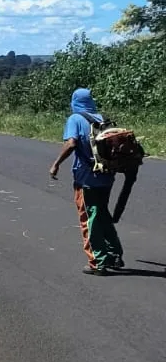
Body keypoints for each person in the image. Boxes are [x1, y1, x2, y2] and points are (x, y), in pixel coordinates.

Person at [50, 88, 124, 275]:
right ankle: (114, 254)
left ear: (74, 101)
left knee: (89, 218)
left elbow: (72, 143)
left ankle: (97, 261)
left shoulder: (75, 119)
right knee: (101, 214)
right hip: (106, 175)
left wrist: (56, 163)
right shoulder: (101, 118)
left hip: (86, 178)